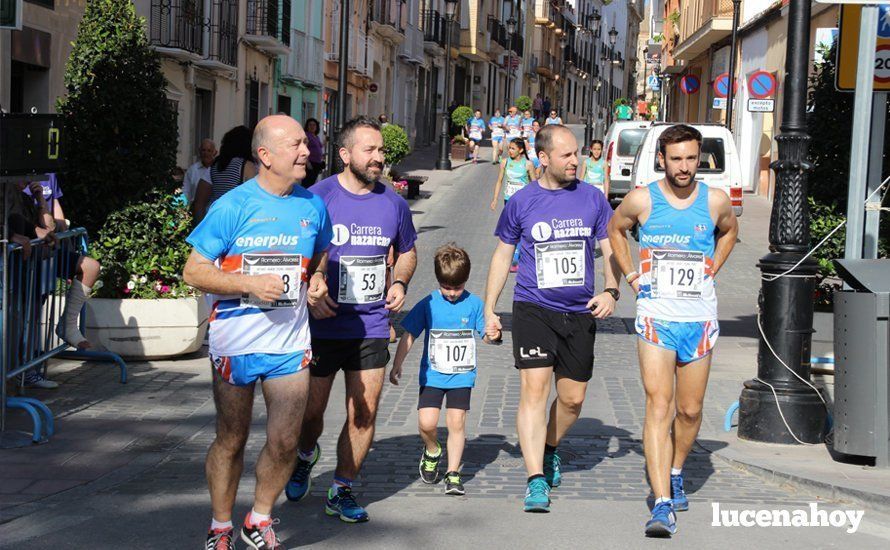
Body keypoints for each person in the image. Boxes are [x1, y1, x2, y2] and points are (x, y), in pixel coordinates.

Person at [183, 115, 333, 550]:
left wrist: (318, 278)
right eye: (297, 145)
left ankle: (259, 517)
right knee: (231, 438)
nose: (307, 151)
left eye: (306, 144)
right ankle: (220, 525)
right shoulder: (233, 206)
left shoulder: (312, 205)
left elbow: (319, 254)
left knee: (286, 441)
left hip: (289, 342)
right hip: (237, 341)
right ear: (265, 156)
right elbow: (193, 271)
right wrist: (249, 283)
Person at [285, 116, 418, 524]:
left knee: (364, 413)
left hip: (372, 325)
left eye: (381, 150)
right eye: (370, 150)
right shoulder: (315, 198)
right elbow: (296, 253)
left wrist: (399, 282)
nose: (379, 158)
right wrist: (311, 285)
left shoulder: (394, 203)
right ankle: (306, 455)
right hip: (323, 324)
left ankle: (341, 489)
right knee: (311, 414)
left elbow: (409, 250)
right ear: (345, 155)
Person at [607, 124, 738, 537]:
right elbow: (615, 229)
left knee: (690, 410)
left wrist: (713, 265)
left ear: (700, 158)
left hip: (698, 319)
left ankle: (677, 468)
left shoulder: (715, 201)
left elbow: (731, 231)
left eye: (691, 158)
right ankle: (661, 502)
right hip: (655, 317)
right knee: (658, 406)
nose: (684, 167)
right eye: (676, 159)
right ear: (661, 159)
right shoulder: (642, 199)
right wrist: (630, 276)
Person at [484, 124, 621, 513]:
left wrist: (611, 290)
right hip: (533, 308)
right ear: (543, 159)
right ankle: (535, 479)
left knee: (573, 399)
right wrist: (490, 307)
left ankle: (549, 447)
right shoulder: (522, 202)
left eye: (576, 153)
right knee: (534, 390)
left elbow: (611, 248)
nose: (575, 160)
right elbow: (502, 254)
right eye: (566, 155)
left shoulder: (593, 199)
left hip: (580, 312)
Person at [389, 244, 501, 495]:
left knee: (456, 423)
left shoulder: (474, 304)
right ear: (439, 281)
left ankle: (453, 473)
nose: (451, 293)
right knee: (426, 423)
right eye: (447, 287)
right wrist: (397, 363)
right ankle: (432, 450)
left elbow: (485, 335)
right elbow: (410, 335)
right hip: (433, 375)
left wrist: (493, 334)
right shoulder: (428, 303)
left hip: (462, 374)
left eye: (457, 287)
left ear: (466, 281)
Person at [21, 175, 101, 353]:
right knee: (32, 309)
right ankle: (27, 361)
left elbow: (55, 225)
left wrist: (41, 198)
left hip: (47, 253)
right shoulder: (15, 186)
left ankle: (68, 325)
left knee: (91, 266)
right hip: (26, 258)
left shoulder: (49, 176)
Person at [191, 126, 258, 225]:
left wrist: (200, 227)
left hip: (216, 221)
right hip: (237, 223)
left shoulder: (215, 166)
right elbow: (255, 199)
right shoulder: (247, 166)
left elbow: (199, 201)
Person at [183, 139, 217, 204]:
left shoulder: (218, 170)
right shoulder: (192, 170)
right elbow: (186, 191)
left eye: (209, 151)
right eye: (203, 150)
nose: (206, 153)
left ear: (215, 153)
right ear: (199, 151)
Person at [304, 118, 326, 188]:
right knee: (308, 182)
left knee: (312, 182)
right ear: (307, 127)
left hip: (317, 164)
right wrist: (307, 163)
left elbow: (320, 146)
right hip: (311, 163)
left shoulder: (316, 137)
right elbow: (304, 149)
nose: (312, 127)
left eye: (314, 125)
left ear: (316, 127)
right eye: (310, 125)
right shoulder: (307, 136)